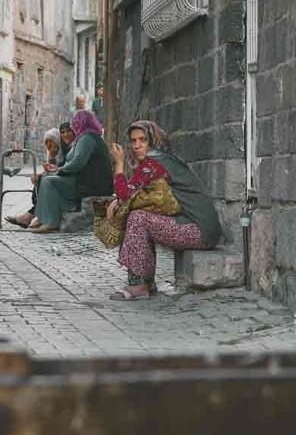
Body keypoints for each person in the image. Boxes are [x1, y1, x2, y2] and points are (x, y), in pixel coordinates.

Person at [107, 120, 222, 299]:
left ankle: (140, 285)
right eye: (133, 141)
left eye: (143, 140)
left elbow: (125, 195)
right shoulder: (163, 159)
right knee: (143, 215)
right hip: (199, 229)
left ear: (153, 141)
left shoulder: (154, 163)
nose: (137, 146)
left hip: (199, 231)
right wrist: (120, 200)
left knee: (138, 218)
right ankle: (147, 282)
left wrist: (119, 164)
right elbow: (134, 195)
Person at [29, 110, 115, 234]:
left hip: (92, 185)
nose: (74, 124)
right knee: (45, 177)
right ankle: (43, 218)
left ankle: (51, 222)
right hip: (84, 181)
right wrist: (55, 169)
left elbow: (77, 163)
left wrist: (59, 170)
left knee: (49, 181)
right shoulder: (83, 138)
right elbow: (69, 162)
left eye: (77, 121)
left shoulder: (88, 138)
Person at [4, 128, 65, 228]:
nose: (51, 146)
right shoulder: (51, 154)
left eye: (52, 142)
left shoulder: (63, 153)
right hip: (55, 180)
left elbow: (61, 169)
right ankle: (31, 217)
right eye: (48, 143)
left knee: (44, 181)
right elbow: (51, 169)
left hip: (63, 182)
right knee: (39, 181)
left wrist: (46, 174)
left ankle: (28, 217)